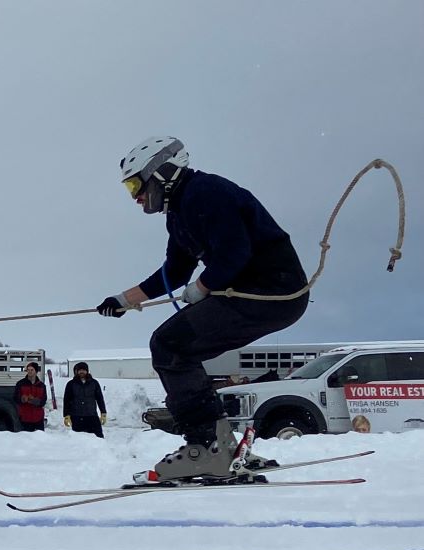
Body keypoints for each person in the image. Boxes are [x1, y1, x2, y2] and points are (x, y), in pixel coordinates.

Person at [97, 137, 308, 480]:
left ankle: (205, 448)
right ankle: (220, 446)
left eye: (136, 184)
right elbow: (175, 271)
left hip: (271, 292)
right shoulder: (180, 211)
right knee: (175, 346)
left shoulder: (206, 192)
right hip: (251, 294)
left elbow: (234, 252)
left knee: (170, 345)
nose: (135, 196)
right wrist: (124, 300)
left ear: (162, 172)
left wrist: (203, 286)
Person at [63, 362, 106, 438]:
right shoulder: (71, 384)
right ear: (77, 371)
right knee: (78, 440)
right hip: (76, 416)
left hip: (91, 415)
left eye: (83, 370)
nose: (81, 372)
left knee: (99, 438)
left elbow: (100, 398)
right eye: (80, 370)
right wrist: (66, 415)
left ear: (87, 371)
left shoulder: (94, 383)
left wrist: (103, 412)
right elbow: (66, 401)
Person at [13, 362, 48, 431]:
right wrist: (22, 399)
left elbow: (43, 401)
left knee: (40, 440)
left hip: (38, 419)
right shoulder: (20, 383)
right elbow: (15, 397)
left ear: (36, 371)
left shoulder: (41, 385)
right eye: (28, 370)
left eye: (32, 370)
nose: (29, 372)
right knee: (26, 440)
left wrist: (35, 401)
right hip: (25, 418)